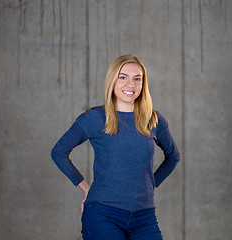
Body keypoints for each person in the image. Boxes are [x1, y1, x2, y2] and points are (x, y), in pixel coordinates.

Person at [51, 54, 180, 240]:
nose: (131, 85)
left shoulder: (153, 120)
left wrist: (150, 184)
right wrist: (87, 189)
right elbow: (59, 152)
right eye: (123, 77)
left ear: (143, 84)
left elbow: (173, 156)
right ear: (113, 80)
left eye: (137, 79)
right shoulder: (94, 118)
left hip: (144, 217)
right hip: (103, 215)